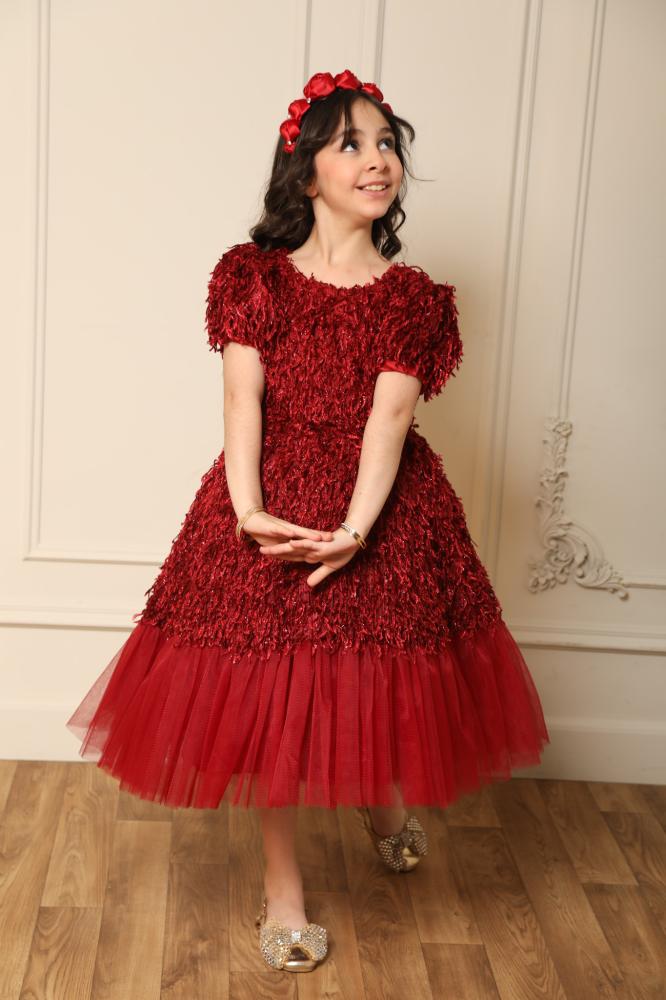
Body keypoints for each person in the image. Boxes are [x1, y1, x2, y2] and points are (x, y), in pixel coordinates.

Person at [66, 68, 550, 974]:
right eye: (352, 144)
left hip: (380, 501)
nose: (378, 160)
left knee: (377, 666)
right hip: (269, 495)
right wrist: (249, 512)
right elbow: (242, 399)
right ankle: (282, 886)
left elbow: (389, 421)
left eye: (388, 143)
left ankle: (380, 798)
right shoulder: (252, 276)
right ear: (306, 172)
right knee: (270, 693)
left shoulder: (412, 297)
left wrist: (357, 532)